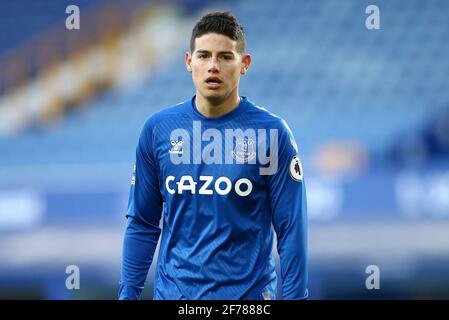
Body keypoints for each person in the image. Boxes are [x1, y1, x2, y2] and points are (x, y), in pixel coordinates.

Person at [119, 11, 308, 300]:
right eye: (204, 55)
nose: (213, 66)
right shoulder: (158, 130)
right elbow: (143, 224)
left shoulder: (272, 134)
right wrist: (127, 296)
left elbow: (291, 230)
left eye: (225, 57)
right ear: (188, 62)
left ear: (244, 64)